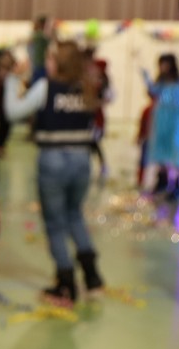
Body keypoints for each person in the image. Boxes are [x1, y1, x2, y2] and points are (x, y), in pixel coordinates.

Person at [6, 39, 105, 305]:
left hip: (53, 160)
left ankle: (65, 284)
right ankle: (93, 277)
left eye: (50, 58)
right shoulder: (86, 89)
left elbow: (13, 112)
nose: (46, 63)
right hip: (82, 160)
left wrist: (13, 80)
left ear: (59, 63)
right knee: (75, 215)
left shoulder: (46, 87)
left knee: (55, 224)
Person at [143, 53, 179, 197]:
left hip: (177, 122)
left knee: (176, 150)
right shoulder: (161, 83)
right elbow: (152, 92)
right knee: (161, 149)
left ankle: (176, 183)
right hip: (162, 121)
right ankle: (161, 180)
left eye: (165, 63)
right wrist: (146, 79)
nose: (163, 67)